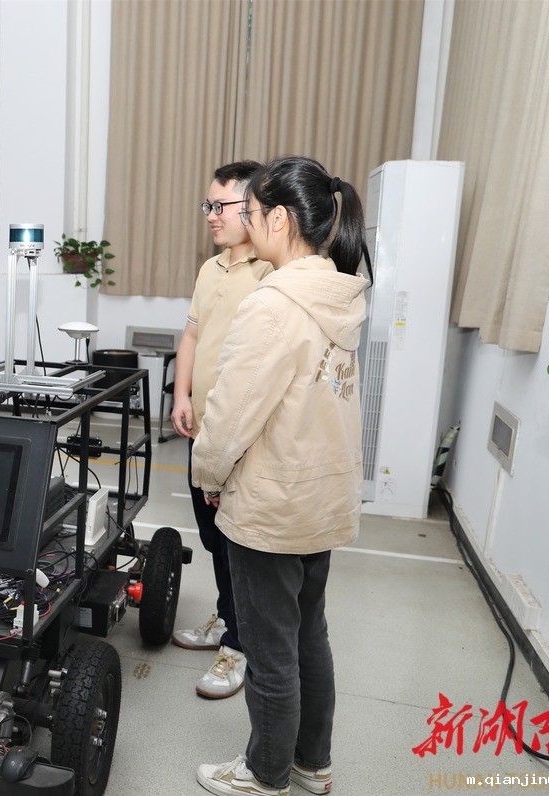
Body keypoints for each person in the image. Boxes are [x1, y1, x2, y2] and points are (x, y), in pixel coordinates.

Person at [192, 155, 371, 796]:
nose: (241, 220)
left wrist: (209, 475)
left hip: (271, 505)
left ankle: (265, 773)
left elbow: (232, 416)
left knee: (270, 651)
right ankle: (311, 763)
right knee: (308, 636)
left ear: (279, 219)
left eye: (250, 210)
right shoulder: (337, 293)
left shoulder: (273, 305)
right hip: (321, 498)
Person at [170, 161, 273, 699]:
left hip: (242, 438)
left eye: (221, 206)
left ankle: (239, 643)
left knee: (239, 543)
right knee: (213, 538)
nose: (211, 215)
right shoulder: (210, 269)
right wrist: (181, 395)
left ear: (254, 208)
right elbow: (192, 337)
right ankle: (227, 618)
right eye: (207, 205)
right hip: (203, 434)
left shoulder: (271, 272)